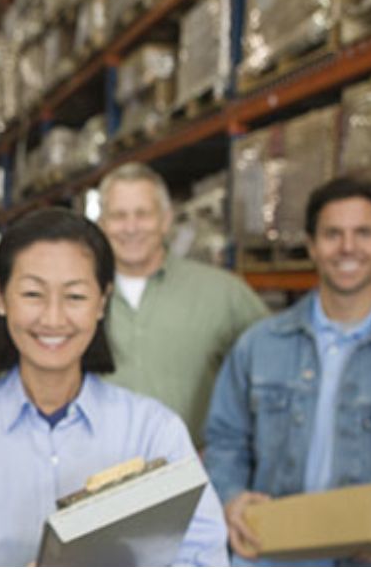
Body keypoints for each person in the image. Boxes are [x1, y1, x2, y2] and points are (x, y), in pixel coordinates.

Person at [0, 207, 228, 566]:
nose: (53, 318)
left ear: (102, 301)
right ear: (1, 297)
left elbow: (203, 557)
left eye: (75, 296)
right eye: (33, 294)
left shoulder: (152, 431)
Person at [205, 176, 371, 565]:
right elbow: (225, 442)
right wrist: (230, 497)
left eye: (363, 233)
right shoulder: (259, 346)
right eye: (332, 234)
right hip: (269, 555)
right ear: (312, 246)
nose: (348, 247)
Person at [98, 162, 268, 446]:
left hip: (196, 467)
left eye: (143, 214)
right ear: (102, 223)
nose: (130, 227)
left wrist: (233, 452)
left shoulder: (222, 292)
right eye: (118, 216)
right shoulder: (76, 298)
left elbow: (275, 367)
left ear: (166, 220)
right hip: (100, 468)